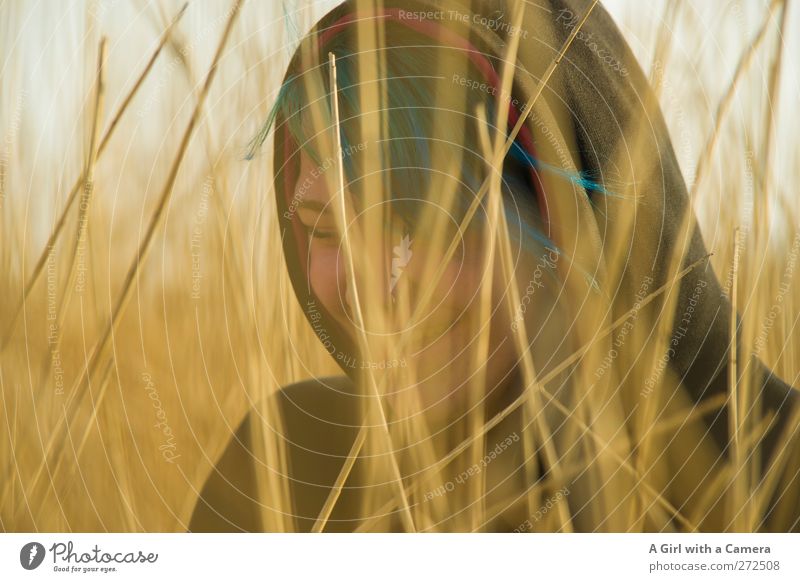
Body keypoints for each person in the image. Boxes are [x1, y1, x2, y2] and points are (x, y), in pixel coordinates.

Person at [190, 0, 800, 532]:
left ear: (567, 220)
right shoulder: (291, 470)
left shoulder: (779, 477)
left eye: (422, 219)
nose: (373, 288)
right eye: (323, 230)